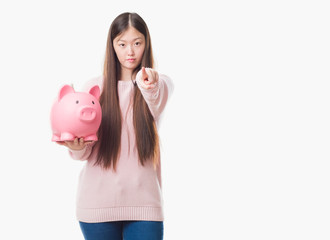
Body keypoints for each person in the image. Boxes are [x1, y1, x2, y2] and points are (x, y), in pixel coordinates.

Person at [57, 12, 173, 240]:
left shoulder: (160, 85)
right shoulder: (94, 88)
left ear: (146, 45)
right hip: (97, 207)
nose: (130, 51)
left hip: (145, 205)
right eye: (122, 44)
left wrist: (148, 82)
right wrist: (76, 145)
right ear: (113, 46)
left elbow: (155, 97)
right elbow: (84, 152)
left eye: (137, 43)